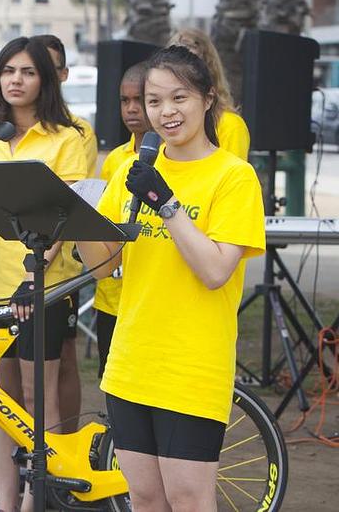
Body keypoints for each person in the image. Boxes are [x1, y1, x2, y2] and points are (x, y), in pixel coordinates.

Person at [76, 45, 264, 510]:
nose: (165, 112)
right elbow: (104, 268)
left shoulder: (234, 177)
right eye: (154, 101)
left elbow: (216, 271)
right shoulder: (130, 172)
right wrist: (73, 222)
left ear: (207, 98)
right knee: (144, 497)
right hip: (131, 362)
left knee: (188, 497)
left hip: (191, 364)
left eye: (178, 98)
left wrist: (167, 204)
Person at [0, 37, 88, 512]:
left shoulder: (67, 138)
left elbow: (65, 220)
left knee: (40, 402)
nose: (16, 80)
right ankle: (4, 502)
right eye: (8, 70)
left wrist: (35, 276)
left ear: (46, 80)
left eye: (28, 72)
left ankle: (40, 503)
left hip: (43, 289)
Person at [30, 33, 98, 436]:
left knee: (64, 356)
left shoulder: (76, 131)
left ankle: (66, 441)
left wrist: (45, 256)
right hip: (12, 268)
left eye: (47, 69)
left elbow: (72, 197)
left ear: (62, 74)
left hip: (62, 263)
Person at [94, 62, 151, 378]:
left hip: (148, 298)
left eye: (140, 100)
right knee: (110, 382)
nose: (131, 109)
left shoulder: (174, 157)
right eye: (124, 100)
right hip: (111, 299)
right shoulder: (116, 159)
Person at [167, 28, 250, 160]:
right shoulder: (160, 123)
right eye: (172, 68)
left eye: (191, 68)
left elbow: (233, 176)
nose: (181, 76)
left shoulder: (230, 125)